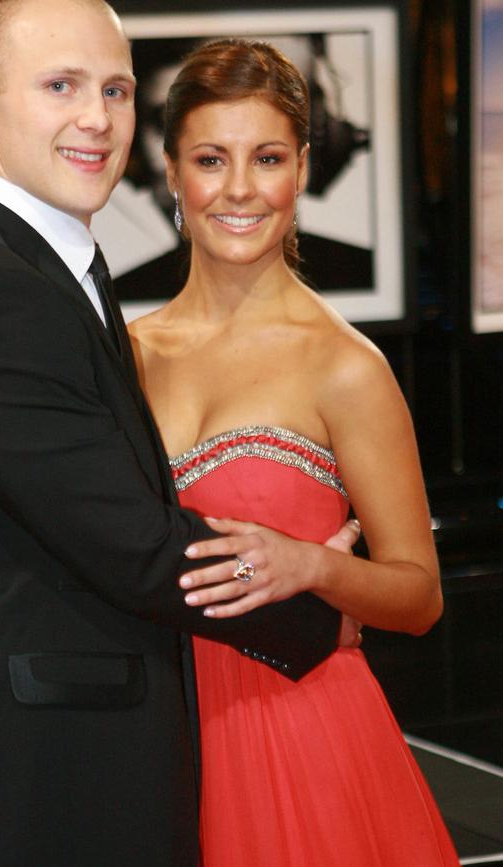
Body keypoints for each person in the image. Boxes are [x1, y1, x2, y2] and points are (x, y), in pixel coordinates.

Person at [0, 4, 360, 865]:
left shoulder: (49, 271)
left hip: (75, 775)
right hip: (41, 795)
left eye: (116, 89)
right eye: (60, 86)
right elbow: (133, 544)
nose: (97, 117)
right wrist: (318, 612)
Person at [129, 39, 460, 867]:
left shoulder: (345, 364)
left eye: (267, 157)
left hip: (303, 739)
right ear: (170, 171)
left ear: (302, 169)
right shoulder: (123, 353)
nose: (239, 188)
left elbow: (418, 594)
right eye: (211, 158)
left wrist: (310, 568)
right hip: (157, 746)